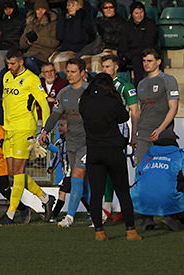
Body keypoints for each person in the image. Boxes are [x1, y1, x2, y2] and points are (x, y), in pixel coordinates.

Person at [0, 49, 55, 224]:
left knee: (18, 172)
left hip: (24, 129)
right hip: (9, 129)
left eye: (12, 63)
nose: (9, 67)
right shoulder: (6, 77)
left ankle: (10, 214)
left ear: (21, 62)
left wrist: (45, 129)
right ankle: (45, 198)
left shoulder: (32, 79)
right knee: (13, 172)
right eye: (8, 64)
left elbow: (44, 104)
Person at [79, 73, 142, 240]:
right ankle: (130, 231)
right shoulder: (113, 101)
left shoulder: (84, 102)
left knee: (96, 194)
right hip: (113, 150)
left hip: (93, 151)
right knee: (122, 192)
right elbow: (124, 117)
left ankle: (99, 231)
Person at [40, 58, 90, 228]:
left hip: (88, 142)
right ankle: (97, 213)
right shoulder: (64, 93)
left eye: (73, 71)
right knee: (81, 180)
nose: (69, 75)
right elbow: (55, 114)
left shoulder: (90, 92)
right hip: (71, 143)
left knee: (77, 177)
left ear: (83, 73)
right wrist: (45, 130)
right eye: (67, 71)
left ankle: (69, 217)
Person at [135, 48, 180, 229]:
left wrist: (161, 128)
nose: (146, 64)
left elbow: (173, 107)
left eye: (150, 60)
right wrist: (134, 133)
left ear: (159, 62)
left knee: (167, 175)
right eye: (144, 60)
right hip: (144, 134)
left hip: (164, 135)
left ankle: (169, 214)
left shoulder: (168, 80)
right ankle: (147, 217)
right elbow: (138, 111)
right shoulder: (141, 83)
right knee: (143, 173)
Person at [101, 54, 140, 222]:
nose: (104, 70)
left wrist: (133, 134)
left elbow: (135, 110)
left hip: (117, 133)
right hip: (101, 132)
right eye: (103, 67)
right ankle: (107, 208)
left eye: (108, 67)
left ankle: (119, 208)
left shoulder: (124, 86)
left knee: (116, 170)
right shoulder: (99, 86)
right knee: (104, 169)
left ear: (116, 67)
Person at [131, 131, 184, 232]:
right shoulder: (179, 155)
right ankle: (171, 217)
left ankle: (147, 219)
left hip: (141, 197)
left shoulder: (147, 155)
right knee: (176, 185)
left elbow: (138, 175)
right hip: (168, 197)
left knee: (145, 186)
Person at [47, 119, 91, 222]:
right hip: (68, 173)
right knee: (80, 194)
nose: (59, 128)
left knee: (62, 192)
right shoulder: (61, 141)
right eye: (58, 126)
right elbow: (58, 153)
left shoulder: (74, 141)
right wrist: (51, 166)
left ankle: (54, 215)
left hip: (73, 172)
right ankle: (92, 212)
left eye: (62, 125)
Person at [118, 2, 158, 87]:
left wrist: (133, 53)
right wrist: (125, 54)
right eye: (136, 13)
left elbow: (149, 43)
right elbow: (123, 43)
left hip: (145, 52)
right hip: (130, 54)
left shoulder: (150, 24)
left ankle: (140, 87)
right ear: (132, 14)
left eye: (141, 13)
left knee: (139, 60)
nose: (139, 15)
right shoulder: (126, 26)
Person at [50, 0, 95, 72]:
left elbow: (77, 38)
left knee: (63, 60)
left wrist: (77, 17)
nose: (69, 8)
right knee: (53, 60)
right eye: (68, 5)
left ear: (79, 7)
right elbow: (59, 36)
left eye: (73, 5)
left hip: (81, 49)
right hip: (65, 48)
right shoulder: (65, 18)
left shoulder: (84, 18)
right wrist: (62, 18)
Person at [82, 0, 125, 72]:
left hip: (114, 49)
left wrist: (105, 37)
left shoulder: (121, 22)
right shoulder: (97, 21)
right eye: (105, 8)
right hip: (98, 48)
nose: (108, 9)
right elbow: (90, 37)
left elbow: (121, 40)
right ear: (102, 10)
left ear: (115, 8)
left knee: (97, 61)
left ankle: (102, 81)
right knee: (82, 59)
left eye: (111, 7)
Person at [19, 0, 60, 75]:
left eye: (42, 9)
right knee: (13, 62)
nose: (40, 12)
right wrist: (29, 42)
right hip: (29, 53)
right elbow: (21, 44)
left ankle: (38, 81)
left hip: (44, 54)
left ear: (47, 11)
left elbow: (55, 42)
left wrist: (37, 39)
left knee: (29, 62)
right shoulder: (30, 24)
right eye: (38, 9)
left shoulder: (53, 24)